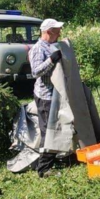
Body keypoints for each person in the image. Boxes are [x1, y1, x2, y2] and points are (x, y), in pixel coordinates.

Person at [29, 18, 65, 175]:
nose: (59, 33)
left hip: (55, 94)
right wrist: (51, 59)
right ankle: (44, 168)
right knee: (48, 131)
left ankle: (52, 159)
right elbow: (35, 71)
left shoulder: (53, 45)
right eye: (57, 31)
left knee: (55, 128)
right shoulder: (38, 49)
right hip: (45, 96)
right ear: (48, 32)